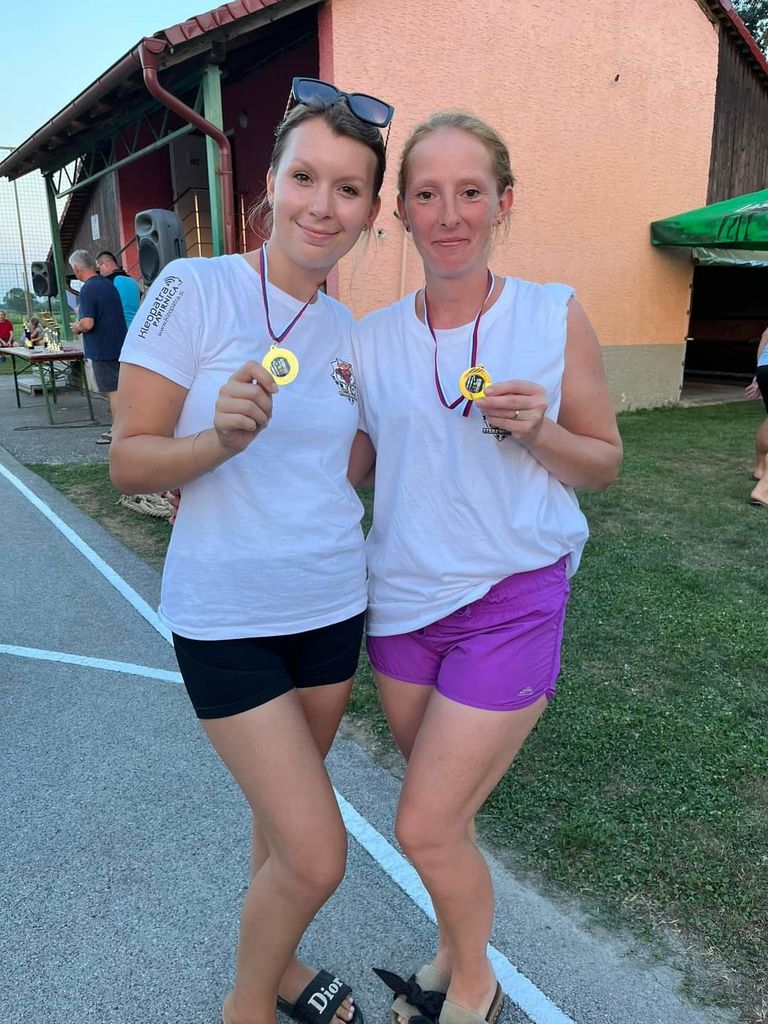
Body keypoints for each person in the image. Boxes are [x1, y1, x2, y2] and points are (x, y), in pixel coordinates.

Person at [110, 79, 392, 1024]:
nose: (323, 205)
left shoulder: (348, 332)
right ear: (269, 182)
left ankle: (280, 965)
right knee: (318, 854)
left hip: (330, 609)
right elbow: (128, 459)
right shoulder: (195, 288)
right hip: (227, 617)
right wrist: (213, 445)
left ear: (370, 211)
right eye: (306, 177)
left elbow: (340, 465)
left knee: (280, 825)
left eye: (349, 189)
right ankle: (247, 1007)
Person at [352, 112, 622, 1024]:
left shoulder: (550, 313)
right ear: (401, 210)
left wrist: (539, 430)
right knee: (449, 819)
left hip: (511, 600)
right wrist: (224, 476)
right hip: (401, 609)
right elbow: (347, 469)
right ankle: (451, 953)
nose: (449, 214)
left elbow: (602, 462)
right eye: (427, 194)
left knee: (423, 824)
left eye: (470, 192)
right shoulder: (371, 339)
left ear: (504, 202)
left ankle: (474, 989)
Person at [69, 249, 127, 444]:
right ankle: (124, 426)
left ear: (77, 269)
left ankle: (117, 431)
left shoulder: (87, 289)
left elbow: (87, 323)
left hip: (103, 348)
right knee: (121, 388)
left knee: (113, 390)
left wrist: (77, 327)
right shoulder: (108, 284)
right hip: (119, 344)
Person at [747, 326, 768, 508]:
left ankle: (760, 469)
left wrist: (758, 373)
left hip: (765, 367)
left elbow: (765, 335)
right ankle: (764, 490)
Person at [96, 250, 142, 328]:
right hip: (136, 328)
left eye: (99, 267)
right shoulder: (133, 281)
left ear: (106, 263)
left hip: (119, 329)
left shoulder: (108, 283)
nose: (100, 273)